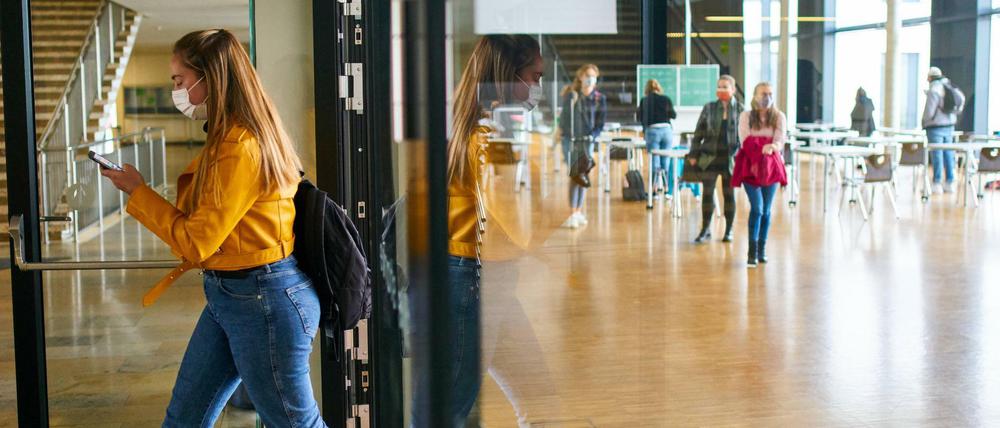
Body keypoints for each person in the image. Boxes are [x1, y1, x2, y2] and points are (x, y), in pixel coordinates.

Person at [100, 29, 324, 427]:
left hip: (263, 301)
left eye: (180, 80)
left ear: (209, 78)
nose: (176, 89)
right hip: (233, 295)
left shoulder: (239, 145)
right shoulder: (234, 135)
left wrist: (138, 193)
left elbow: (198, 242)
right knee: (184, 418)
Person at [429, 34, 544, 426]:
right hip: (476, 279)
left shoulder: (467, 124)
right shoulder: (491, 133)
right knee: (450, 407)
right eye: (534, 76)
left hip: (481, 276)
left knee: (536, 395)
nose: (539, 87)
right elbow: (511, 213)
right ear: (509, 78)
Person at [732, 82, 788, 268]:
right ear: (755, 95)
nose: (767, 97)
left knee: (767, 210)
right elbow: (745, 140)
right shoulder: (745, 116)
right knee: (757, 207)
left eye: (770, 93)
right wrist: (763, 147)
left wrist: (774, 146)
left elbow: (780, 139)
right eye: (763, 93)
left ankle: (762, 249)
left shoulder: (779, 116)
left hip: (771, 167)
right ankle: (751, 251)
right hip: (750, 166)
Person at [689, 75, 744, 243]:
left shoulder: (741, 109)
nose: (721, 90)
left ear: (733, 90)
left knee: (729, 195)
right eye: (719, 87)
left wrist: (742, 157)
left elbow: (744, 137)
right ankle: (705, 229)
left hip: (730, 159)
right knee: (707, 194)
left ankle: (728, 230)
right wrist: (693, 153)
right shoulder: (709, 108)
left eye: (725, 87)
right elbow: (698, 132)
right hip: (709, 157)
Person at [559, 64, 607, 229]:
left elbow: (600, 122)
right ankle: (572, 213)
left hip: (587, 142)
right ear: (581, 76)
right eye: (588, 75)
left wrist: (593, 135)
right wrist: (566, 134)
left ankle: (578, 212)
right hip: (571, 141)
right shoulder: (571, 95)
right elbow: (564, 119)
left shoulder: (599, 98)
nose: (590, 79)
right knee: (576, 175)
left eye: (593, 76)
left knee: (583, 176)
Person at [922, 66, 965, 194]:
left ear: (930, 77)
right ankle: (950, 182)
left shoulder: (934, 89)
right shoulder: (949, 86)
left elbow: (929, 111)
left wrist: (924, 121)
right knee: (948, 154)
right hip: (949, 126)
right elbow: (961, 100)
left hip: (935, 127)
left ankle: (937, 183)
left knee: (937, 155)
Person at [638, 79, 676, 194]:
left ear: (647, 89)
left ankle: (653, 189)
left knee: (654, 161)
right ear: (658, 88)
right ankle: (666, 188)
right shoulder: (666, 99)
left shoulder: (644, 100)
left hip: (652, 130)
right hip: (666, 130)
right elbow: (673, 115)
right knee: (666, 160)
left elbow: (641, 118)